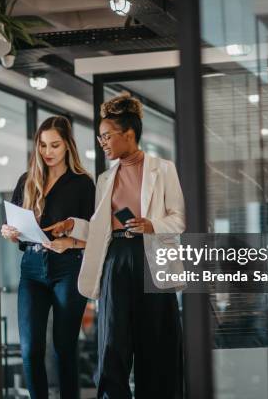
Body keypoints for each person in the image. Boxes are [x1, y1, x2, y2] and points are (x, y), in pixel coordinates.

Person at [48, 93, 185, 399]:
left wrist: (152, 225)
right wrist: (73, 225)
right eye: (100, 138)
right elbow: (101, 230)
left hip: (152, 257)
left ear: (129, 134)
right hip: (115, 259)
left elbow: (179, 219)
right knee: (112, 343)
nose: (103, 143)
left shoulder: (163, 169)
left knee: (156, 341)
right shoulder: (105, 178)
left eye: (107, 136)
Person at [0, 116, 95, 399]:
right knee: (31, 350)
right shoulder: (26, 181)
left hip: (69, 267)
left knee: (63, 348)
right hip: (31, 268)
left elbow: (97, 233)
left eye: (54, 145)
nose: (48, 152)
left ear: (67, 145)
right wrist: (10, 232)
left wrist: (70, 242)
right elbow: (19, 226)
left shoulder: (82, 184)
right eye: (42, 145)